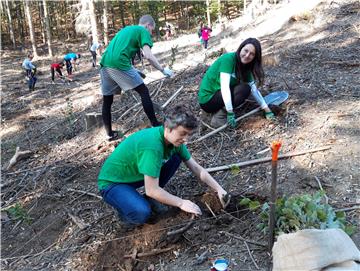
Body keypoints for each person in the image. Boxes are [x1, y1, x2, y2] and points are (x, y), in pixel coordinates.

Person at [98, 105, 228, 226]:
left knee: (176, 157)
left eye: (189, 134)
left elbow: (196, 168)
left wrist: (219, 189)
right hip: (113, 184)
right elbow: (151, 189)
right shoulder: (153, 147)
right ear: (168, 127)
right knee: (142, 213)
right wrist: (181, 203)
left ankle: (149, 199)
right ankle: (126, 214)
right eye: (183, 133)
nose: (186, 139)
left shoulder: (173, 142)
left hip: (135, 176)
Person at [100, 14, 173, 141]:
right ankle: (155, 124)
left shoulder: (127, 29)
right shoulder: (142, 30)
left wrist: (135, 71)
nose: (150, 33)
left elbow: (119, 51)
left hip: (105, 64)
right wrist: (163, 70)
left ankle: (109, 134)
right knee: (143, 91)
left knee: (107, 101)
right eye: (151, 30)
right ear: (148, 25)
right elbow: (149, 56)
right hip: (119, 64)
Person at [198, 37, 275, 128]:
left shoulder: (245, 66)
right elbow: (225, 87)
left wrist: (267, 110)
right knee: (244, 89)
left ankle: (220, 109)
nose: (247, 55)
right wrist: (230, 112)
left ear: (254, 57)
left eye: (251, 54)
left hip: (218, 96)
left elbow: (254, 89)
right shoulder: (229, 59)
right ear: (240, 48)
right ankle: (219, 117)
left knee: (248, 89)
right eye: (246, 51)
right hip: (207, 100)